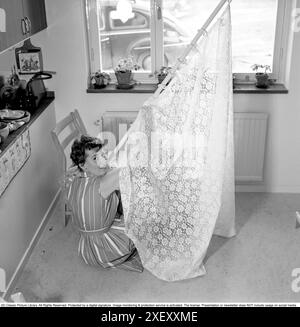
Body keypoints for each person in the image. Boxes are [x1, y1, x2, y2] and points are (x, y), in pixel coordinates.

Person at [64, 135, 143, 273]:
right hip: (107, 250)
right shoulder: (104, 182)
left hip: (87, 249)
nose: (102, 160)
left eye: (103, 155)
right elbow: (131, 171)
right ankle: (123, 251)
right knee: (142, 208)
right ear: (83, 165)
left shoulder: (74, 175)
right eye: (95, 158)